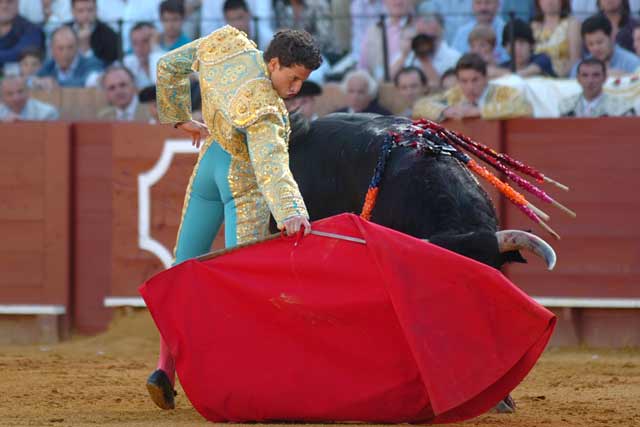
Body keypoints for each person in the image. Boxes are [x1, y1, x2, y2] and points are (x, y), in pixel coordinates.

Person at [146, 26, 322, 410]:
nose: (294, 90)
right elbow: (270, 165)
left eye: (301, 83)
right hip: (241, 184)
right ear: (273, 63)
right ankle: (240, 382)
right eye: (291, 78)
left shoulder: (225, 43)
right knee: (240, 285)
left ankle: (163, 369)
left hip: (209, 164)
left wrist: (180, 118)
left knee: (181, 268)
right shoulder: (265, 109)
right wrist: (291, 211)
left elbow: (168, 65)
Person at [412, 53, 533, 121]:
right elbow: (419, 106)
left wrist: (479, 111)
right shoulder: (454, 94)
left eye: (475, 80)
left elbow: (525, 107)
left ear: (485, 78)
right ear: (458, 80)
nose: (470, 87)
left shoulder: (504, 92)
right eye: (464, 81)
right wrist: (445, 111)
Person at [559, 57, 636, 116]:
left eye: (596, 75)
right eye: (585, 75)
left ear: (605, 78)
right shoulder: (566, 106)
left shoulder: (622, 107)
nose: (590, 81)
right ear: (578, 79)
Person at [569, 14, 640, 77]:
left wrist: (626, 76)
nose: (596, 48)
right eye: (590, 44)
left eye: (599, 42)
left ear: (612, 37)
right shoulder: (579, 68)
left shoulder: (633, 63)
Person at [34, 26, 103, 88]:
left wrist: (55, 84)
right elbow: (31, 80)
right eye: (60, 48)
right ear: (52, 49)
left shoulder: (91, 63)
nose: (65, 53)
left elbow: (90, 81)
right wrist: (37, 82)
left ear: (77, 47)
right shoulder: (49, 65)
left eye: (70, 47)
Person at [530, 0, 582, 77]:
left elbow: (575, 60)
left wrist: (558, 77)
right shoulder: (533, 26)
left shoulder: (572, 24)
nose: (549, 2)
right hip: (535, 77)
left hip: (561, 78)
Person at [66, 0, 120, 66]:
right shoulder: (63, 32)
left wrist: (86, 47)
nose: (85, 15)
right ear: (72, 11)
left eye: (90, 10)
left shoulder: (109, 35)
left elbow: (107, 66)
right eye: (80, 11)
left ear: (96, 10)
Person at [0, 0, 44, 69]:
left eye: (9, 1)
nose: (4, 6)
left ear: (17, 3)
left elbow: (21, 52)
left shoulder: (31, 29)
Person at [123, 22, 164, 89]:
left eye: (145, 41)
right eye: (135, 43)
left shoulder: (167, 58)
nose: (139, 47)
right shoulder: (127, 62)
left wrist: (155, 49)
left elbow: (159, 88)